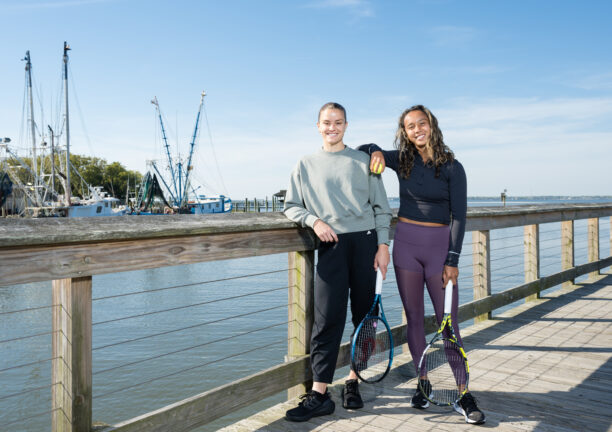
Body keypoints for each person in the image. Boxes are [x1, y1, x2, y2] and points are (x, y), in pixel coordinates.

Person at [358, 105, 486, 425]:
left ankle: (462, 393)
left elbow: (459, 216)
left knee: (450, 325)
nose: (417, 129)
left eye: (421, 123)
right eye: (410, 126)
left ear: (432, 126)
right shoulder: (402, 160)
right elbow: (366, 150)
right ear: (405, 132)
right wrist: (374, 152)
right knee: (414, 319)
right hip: (406, 249)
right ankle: (424, 383)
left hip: (440, 251)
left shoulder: (453, 167)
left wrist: (453, 260)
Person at [283, 102, 392, 422]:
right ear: (318, 126)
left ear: (347, 126)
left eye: (339, 122)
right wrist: (314, 221)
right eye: (327, 122)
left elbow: (381, 207)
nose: (333, 127)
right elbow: (290, 206)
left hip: (366, 243)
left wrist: (383, 245)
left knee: (365, 319)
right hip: (329, 246)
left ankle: (353, 382)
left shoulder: (364, 161)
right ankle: (319, 394)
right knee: (327, 319)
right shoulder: (304, 165)